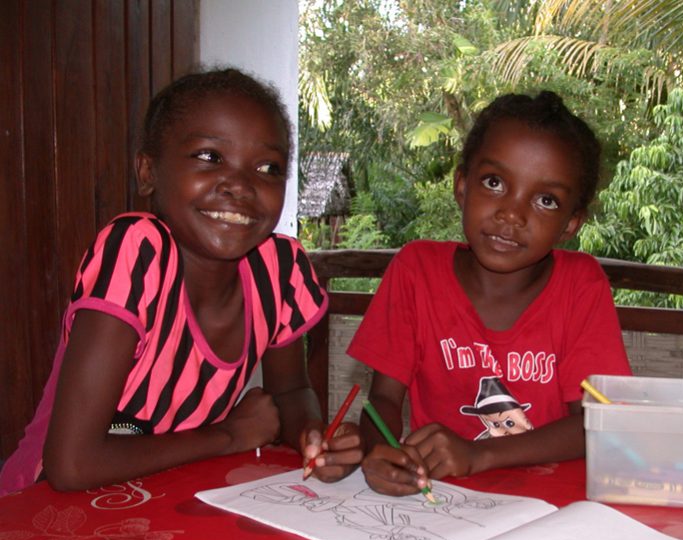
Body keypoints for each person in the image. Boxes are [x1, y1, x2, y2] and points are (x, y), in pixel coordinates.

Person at [0, 68, 362, 496]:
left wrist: (313, 436)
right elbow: (72, 464)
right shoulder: (137, 253)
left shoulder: (279, 268)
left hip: (166, 495)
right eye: (209, 157)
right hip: (46, 506)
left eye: (268, 167)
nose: (241, 185)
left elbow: (292, 392)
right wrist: (229, 435)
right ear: (148, 172)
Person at [348, 91, 631, 496]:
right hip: (442, 505)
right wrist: (383, 454)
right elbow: (383, 402)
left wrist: (478, 455)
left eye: (546, 200)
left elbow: (594, 424)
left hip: (549, 509)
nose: (512, 214)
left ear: (571, 224)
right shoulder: (417, 271)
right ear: (461, 186)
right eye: (494, 183)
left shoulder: (580, 286)